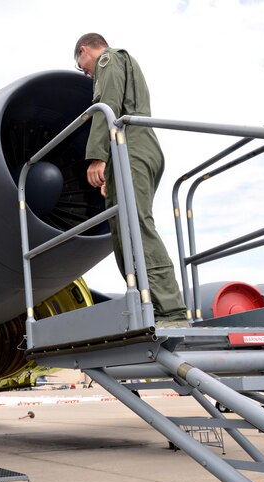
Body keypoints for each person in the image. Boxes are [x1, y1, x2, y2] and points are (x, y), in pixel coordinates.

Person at [74, 33, 188, 327]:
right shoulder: (114, 63)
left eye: (81, 65)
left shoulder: (107, 60)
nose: (85, 72)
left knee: (136, 224)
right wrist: (111, 169)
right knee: (124, 228)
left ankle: (170, 310)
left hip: (132, 144)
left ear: (85, 50)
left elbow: (108, 106)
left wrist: (97, 156)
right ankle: (146, 305)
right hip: (125, 149)